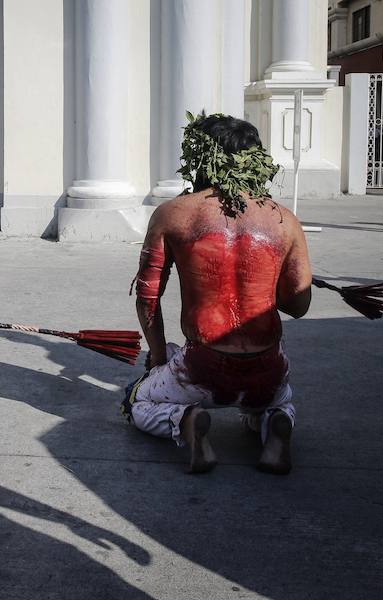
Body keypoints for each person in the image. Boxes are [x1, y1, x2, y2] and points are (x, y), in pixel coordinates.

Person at [122, 113, 312, 475]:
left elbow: (147, 298)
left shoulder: (172, 214)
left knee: (137, 402)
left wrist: (159, 356)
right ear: (255, 160)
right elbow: (298, 305)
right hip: (266, 367)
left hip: (202, 367)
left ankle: (187, 422)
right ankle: (274, 427)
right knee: (281, 402)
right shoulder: (285, 220)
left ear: (200, 158)